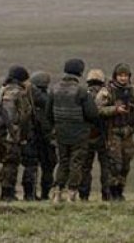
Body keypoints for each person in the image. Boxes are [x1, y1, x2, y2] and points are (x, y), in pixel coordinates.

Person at [47, 59, 98, 202]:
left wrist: (56, 126)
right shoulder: (81, 91)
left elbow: (48, 114)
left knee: (63, 162)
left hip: (60, 132)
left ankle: (57, 192)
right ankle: (72, 192)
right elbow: (92, 113)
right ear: (80, 72)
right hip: (79, 133)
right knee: (76, 162)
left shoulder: (54, 90)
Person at [0, 65, 33, 201]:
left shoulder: (3, 90)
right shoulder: (15, 92)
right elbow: (10, 115)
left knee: (8, 162)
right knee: (11, 162)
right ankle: (7, 193)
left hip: (4, 132)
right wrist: (15, 133)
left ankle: (7, 191)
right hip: (11, 133)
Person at [95, 63, 134, 201]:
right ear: (115, 76)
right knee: (115, 164)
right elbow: (98, 110)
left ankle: (120, 191)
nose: (123, 78)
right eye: (120, 75)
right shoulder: (107, 91)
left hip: (128, 132)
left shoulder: (132, 90)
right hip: (113, 132)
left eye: (125, 75)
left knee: (126, 164)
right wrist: (115, 110)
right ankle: (112, 192)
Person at [21, 71, 57, 201]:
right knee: (48, 166)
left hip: (30, 137)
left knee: (31, 166)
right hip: (44, 137)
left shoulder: (26, 95)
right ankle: (44, 194)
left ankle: (29, 194)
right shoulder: (44, 98)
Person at [79, 69, 110, 201]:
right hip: (104, 135)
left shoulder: (83, 94)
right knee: (106, 167)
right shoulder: (107, 94)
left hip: (87, 136)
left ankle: (84, 195)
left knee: (85, 168)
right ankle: (107, 195)